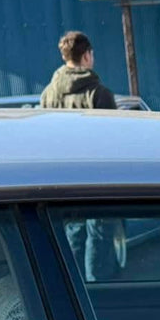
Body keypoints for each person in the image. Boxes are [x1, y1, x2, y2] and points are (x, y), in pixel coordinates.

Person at [41, 31, 119, 282]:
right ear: (86, 56)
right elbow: (111, 140)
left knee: (73, 233)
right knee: (99, 236)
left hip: (62, 179)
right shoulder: (98, 93)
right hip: (96, 178)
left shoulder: (48, 95)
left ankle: (73, 293)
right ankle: (97, 295)